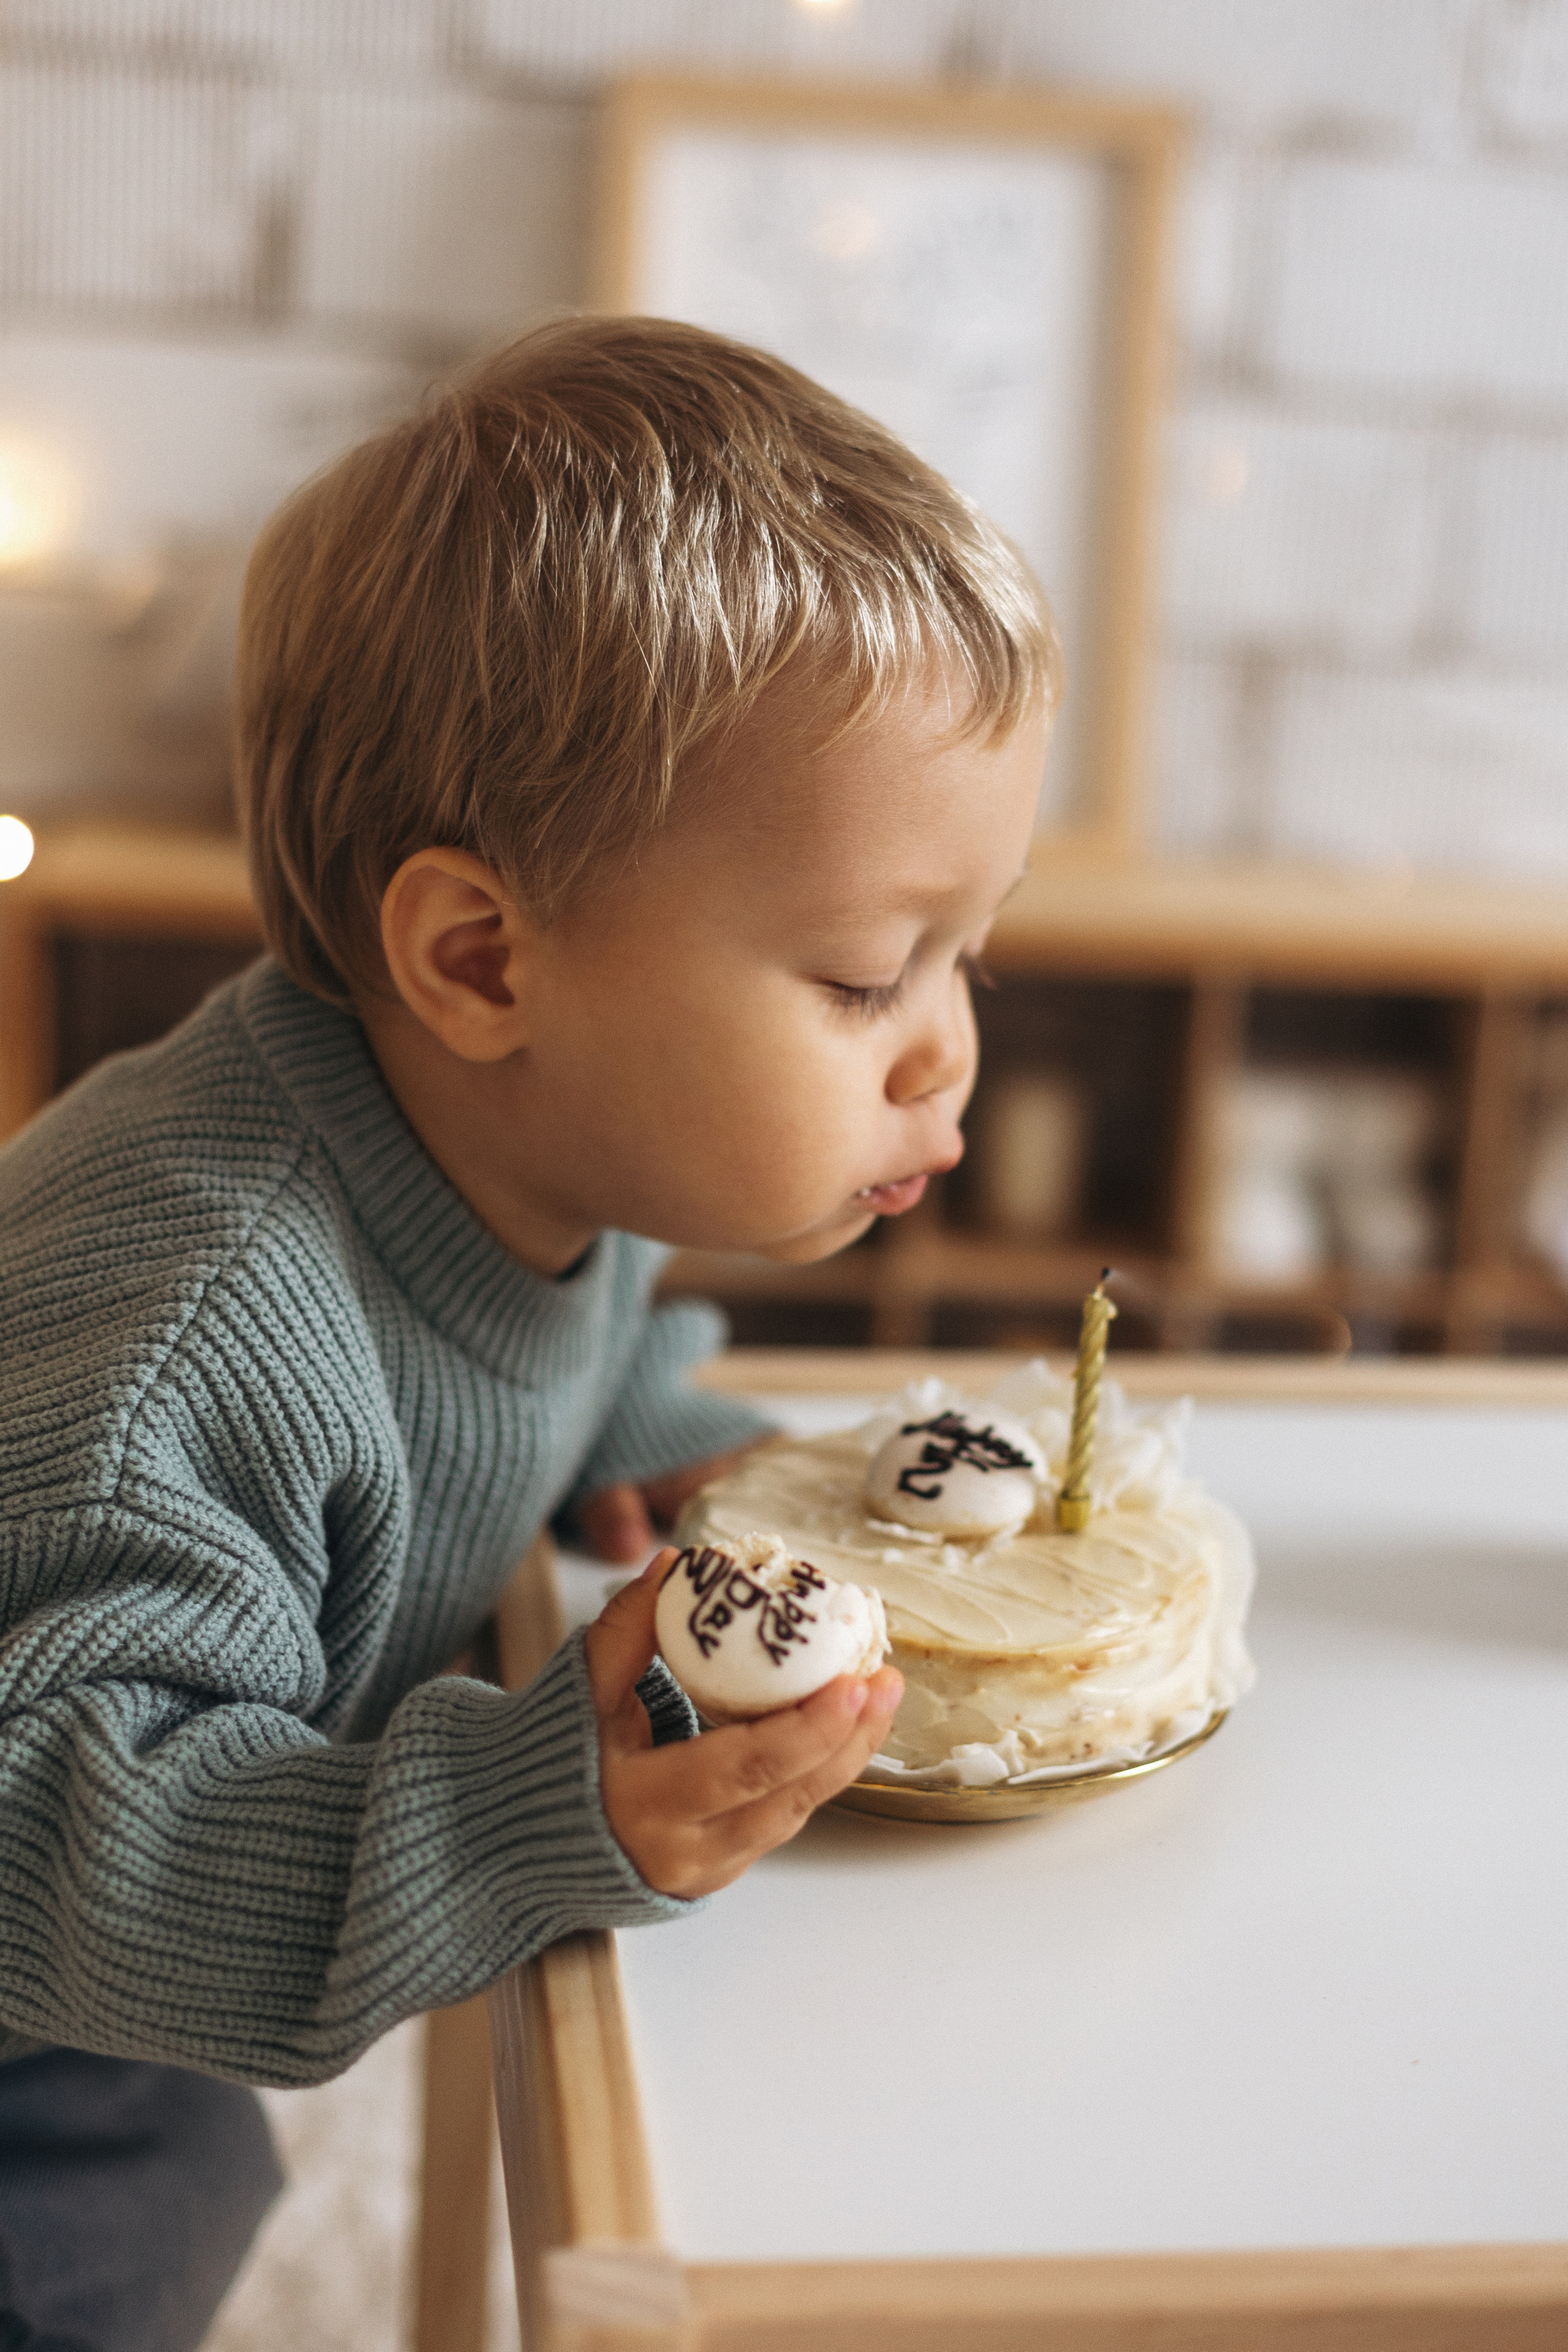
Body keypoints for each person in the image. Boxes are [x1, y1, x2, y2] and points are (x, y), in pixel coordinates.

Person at [0, 314, 1058, 2349]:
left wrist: (666, 1433)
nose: (950, 1049)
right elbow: (55, 1824)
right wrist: (515, 1806)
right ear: (483, 958)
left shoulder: (539, 1160)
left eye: (970, 955)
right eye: (860, 978)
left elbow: (569, 1328)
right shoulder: (197, 1330)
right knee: (127, 2237)